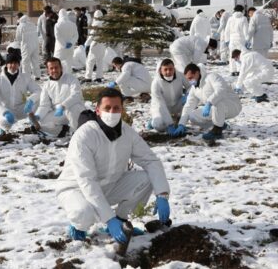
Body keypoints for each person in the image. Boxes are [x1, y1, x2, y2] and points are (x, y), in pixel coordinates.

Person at [55, 87, 171, 243]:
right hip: (76, 188)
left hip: (109, 186)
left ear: (122, 110)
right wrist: (108, 219)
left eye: (116, 108)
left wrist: (162, 194)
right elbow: (87, 180)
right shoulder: (84, 136)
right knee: (84, 213)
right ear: (97, 110)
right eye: (107, 108)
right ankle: (78, 228)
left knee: (148, 178)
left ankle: (121, 220)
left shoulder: (127, 132)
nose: (112, 112)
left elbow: (150, 160)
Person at [176, 63, 241, 140]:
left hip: (232, 106)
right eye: (188, 79)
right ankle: (221, 124)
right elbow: (188, 106)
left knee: (216, 101)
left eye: (191, 78)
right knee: (193, 116)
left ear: (197, 73)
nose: (190, 81)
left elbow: (221, 90)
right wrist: (181, 124)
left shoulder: (212, 77)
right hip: (215, 109)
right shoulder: (194, 88)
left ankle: (217, 131)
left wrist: (209, 102)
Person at [0, 53, 41, 136]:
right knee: (5, 122)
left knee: (39, 100)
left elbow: (38, 90)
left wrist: (31, 100)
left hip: (22, 109)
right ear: (6, 64)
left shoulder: (25, 77)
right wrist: (4, 111)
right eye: (10, 63)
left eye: (15, 63)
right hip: (6, 111)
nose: (13, 65)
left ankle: (33, 121)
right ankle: (2, 128)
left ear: (19, 64)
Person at [34, 57, 84, 138]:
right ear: (48, 70)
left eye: (56, 67)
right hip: (59, 113)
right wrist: (37, 116)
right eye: (51, 68)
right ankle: (63, 129)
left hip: (75, 110)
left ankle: (75, 134)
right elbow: (44, 105)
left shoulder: (71, 78)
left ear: (61, 67)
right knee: (43, 121)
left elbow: (76, 95)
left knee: (72, 109)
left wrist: (63, 106)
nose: (54, 70)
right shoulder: (47, 85)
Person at [148, 59, 190, 136]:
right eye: (165, 69)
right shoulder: (156, 83)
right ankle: (152, 122)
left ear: (174, 69)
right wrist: (170, 125)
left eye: (171, 69)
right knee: (159, 125)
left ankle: (180, 121)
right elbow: (161, 105)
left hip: (177, 104)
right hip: (160, 107)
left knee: (190, 101)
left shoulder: (180, 76)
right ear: (160, 71)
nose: (168, 72)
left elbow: (190, 87)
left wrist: (187, 95)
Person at [223, 5, 248, 75]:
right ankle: (239, 70)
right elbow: (245, 31)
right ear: (242, 10)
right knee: (240, 55)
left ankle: (232, 70)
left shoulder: (230, 18)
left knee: (232, 55)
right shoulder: (243, 18)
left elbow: (227, 30)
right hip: (240, 39)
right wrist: (247, 40)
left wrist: (227, 40)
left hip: (232, 39)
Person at [15, 13, 41, 79]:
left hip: (26, 46)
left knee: (25, 61)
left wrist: (19, 43)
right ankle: (37, 75)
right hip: (35, 45)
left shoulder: (20, 26)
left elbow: (18, 38)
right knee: (35, 60)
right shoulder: (32, 24)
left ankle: (26, 76)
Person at [85, 9, 107, 82]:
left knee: (90, 61)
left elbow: (92, 35)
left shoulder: (96, 24)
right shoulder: (105, 23)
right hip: (103, 44)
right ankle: (99, 77)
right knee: (100, 61)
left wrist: (86, 44)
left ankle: (88, 77)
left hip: (95, 44)